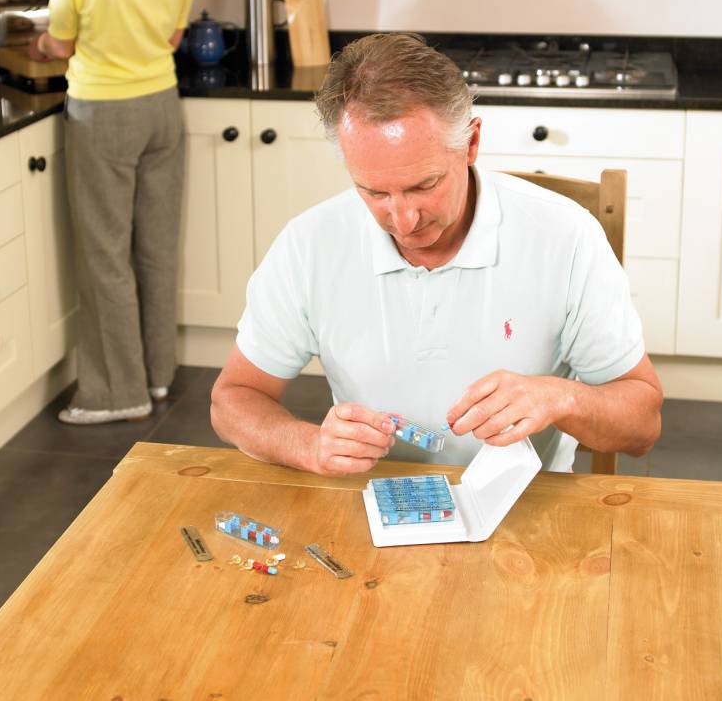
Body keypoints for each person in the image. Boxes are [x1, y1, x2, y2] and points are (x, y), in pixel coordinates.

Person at [211, 33, 663, 472]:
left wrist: (562, 398)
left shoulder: (566, 237)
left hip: (527, 503)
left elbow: (642, 427)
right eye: (374, 192)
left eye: (424, 185)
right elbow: (233, 399)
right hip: (370, 498)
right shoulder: (309, 244)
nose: (404, 220)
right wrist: (307, 445)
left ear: (470, 143)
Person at [31, 0, 196, 424]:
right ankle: (156, 376)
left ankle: (114, 393)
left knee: (105, 253)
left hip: (102, 113)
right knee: (156, 247)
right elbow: (172, 37)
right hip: (162, 108)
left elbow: (62, 42)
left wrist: (43, 44)